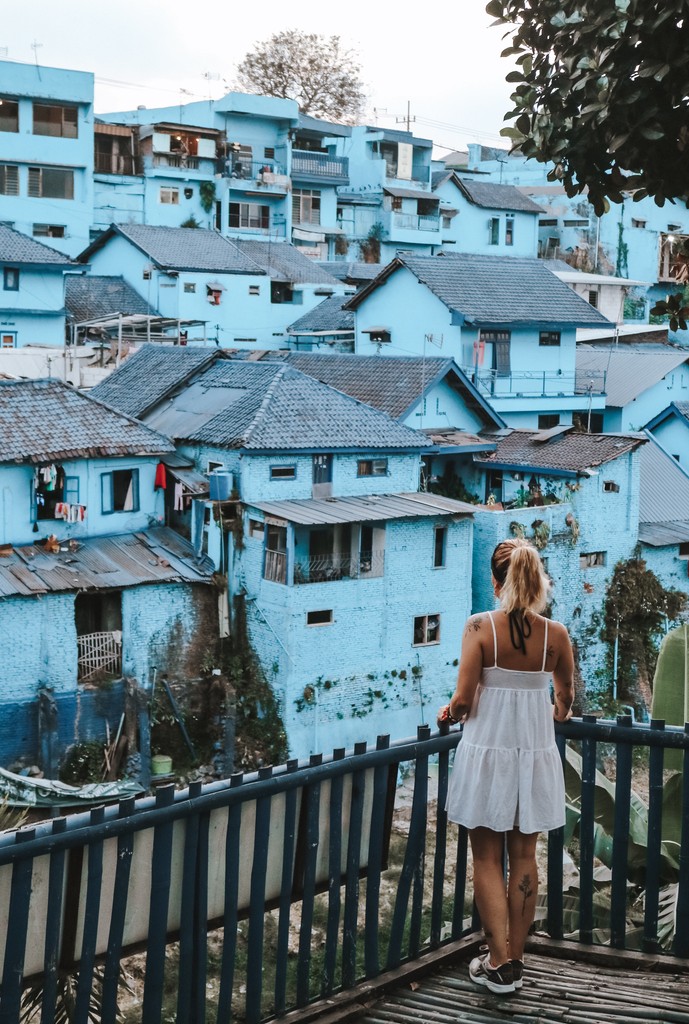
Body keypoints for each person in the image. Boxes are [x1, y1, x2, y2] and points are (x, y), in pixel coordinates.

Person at [438, 537, 574, 995]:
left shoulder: (480, 627)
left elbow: (462, 700)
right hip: (533, 753)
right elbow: (565, 698)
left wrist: (451, 713)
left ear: (497, 582)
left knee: (486, 857)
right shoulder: (555, 635)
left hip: (487, 752)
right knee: (524, 857)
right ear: (537, 581)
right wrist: (557, 712)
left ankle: (497, 964)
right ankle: (515, 957)